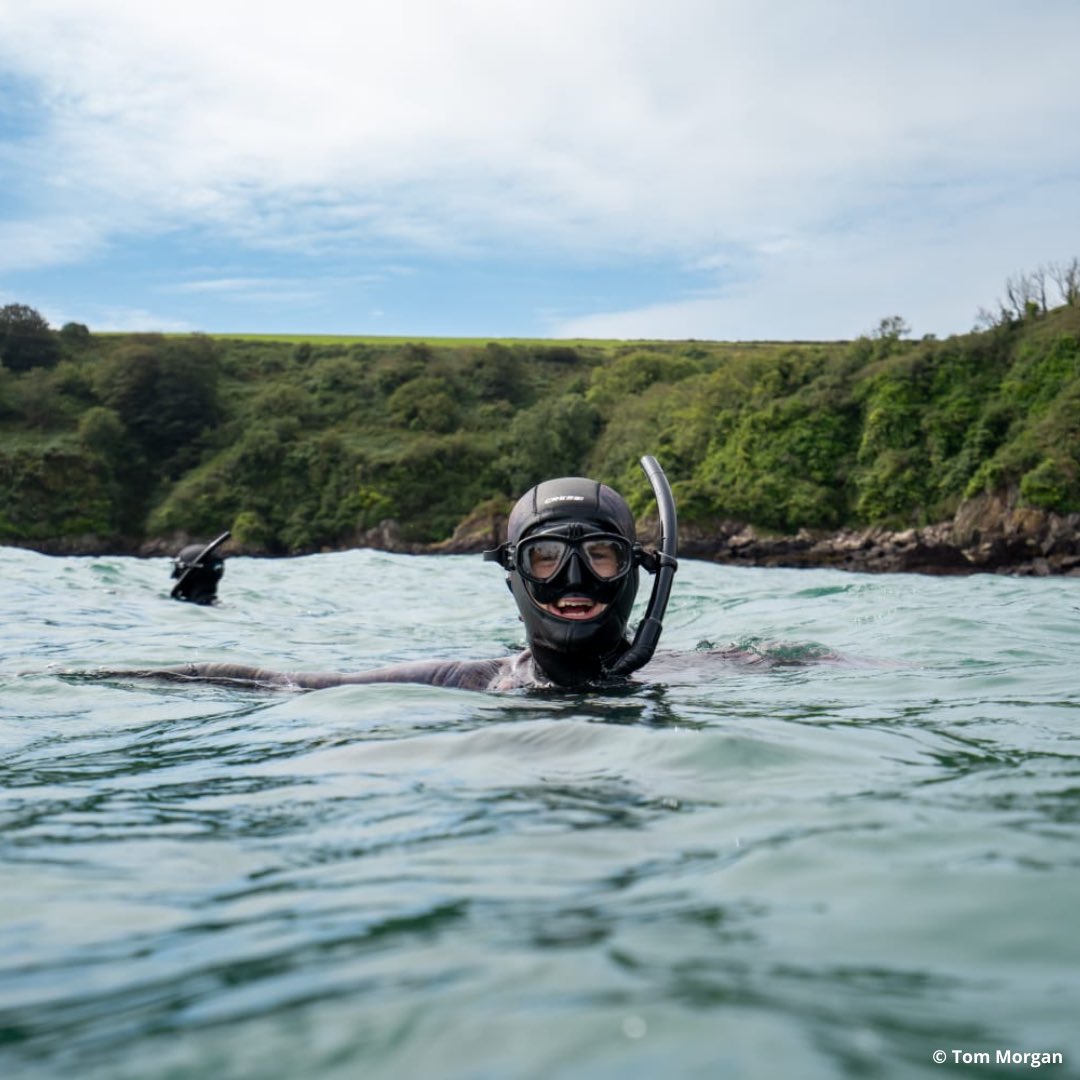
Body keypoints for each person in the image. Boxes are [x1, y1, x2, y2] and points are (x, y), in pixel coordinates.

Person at [114, 457, 679, 692]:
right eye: (545, 557)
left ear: (639, 571)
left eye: (602, 554)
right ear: (513, 574)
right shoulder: (470, 680)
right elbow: (293, 684)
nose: (573, 580)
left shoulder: (708, 675)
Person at [170, 531, 230, 605]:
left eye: (178, 570)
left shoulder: (181, 609)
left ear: (192, 574)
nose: (173, 576)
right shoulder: (221, 606)